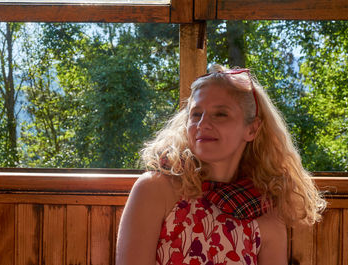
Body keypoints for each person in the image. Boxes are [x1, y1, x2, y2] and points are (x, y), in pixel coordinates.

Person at [116, 64, 326, 265]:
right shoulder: (155, 190)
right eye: (196, 114)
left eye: (221, 114)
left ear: (252, 130)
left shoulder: (264, 213)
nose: (202, 124)